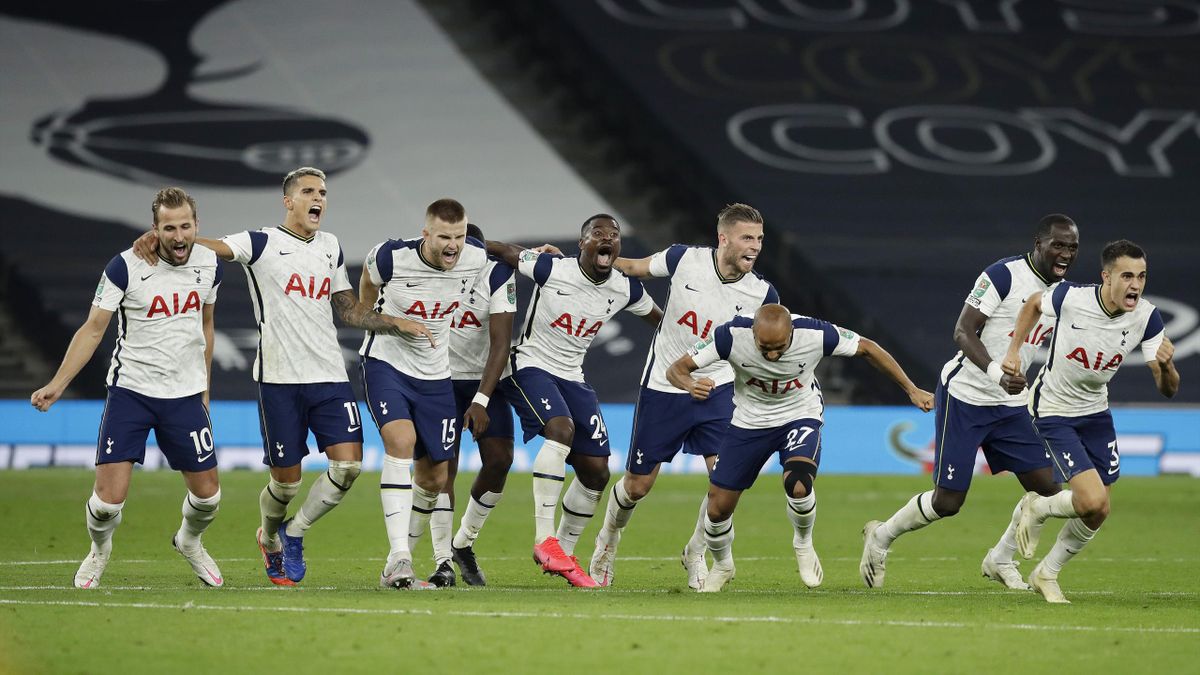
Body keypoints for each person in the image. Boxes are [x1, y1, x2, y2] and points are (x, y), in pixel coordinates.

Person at [133, 167, 429, 587]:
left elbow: (346, 309)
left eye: (323, 192)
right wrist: (170, 238)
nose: (318, 199)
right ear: (288, 201)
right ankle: (269, 535)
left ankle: (295, 532)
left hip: (329, 376)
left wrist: (394, 322)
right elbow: (215, 247)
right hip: (278, 379)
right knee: (286, 483)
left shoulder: (330, 246)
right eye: (308, 192)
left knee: (348, 467)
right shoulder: (260, 242)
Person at [859, 215, 1080, 591]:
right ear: (1038, 242)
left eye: (1072, 248)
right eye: (1058, 245)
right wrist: (996, 373)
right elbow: (962, 330)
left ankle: (1001, 557)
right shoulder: (1002, 275)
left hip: (1011, 404)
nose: (1065, 254)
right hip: (966, 396)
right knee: (948, 502)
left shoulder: (1064, 293)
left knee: (1048, 491)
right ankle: (881, 537)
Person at [32, 187, 225, 589]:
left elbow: (206, 326)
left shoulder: (211, 265)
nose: (178, 236)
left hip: (185, 395)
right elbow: (93, 329)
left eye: (185, 226)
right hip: (131, 392)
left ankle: (190, 541)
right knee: (106, 504)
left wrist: (204, 387)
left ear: (196, 226)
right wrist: (58, 383)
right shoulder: (124, 266)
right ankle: (99, 551)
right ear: (154, 229)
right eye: (169, 227)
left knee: (208, 497)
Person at [668, 304, 933, 592]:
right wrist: (689, 384)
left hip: (799, 414)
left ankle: (803, 543)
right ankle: (723, 565)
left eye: (779, 347)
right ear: (753, 333)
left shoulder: (816, 333)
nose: (771, 355)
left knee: (798, 483)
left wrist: (911, 389)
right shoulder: (730, 335)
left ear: (791, 332)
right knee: (717, 509)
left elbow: (868, 348)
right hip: (749, 420)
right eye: (764, 348)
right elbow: (677, 369)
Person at [589, 203, 778, 588]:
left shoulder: (762, 292)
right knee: (638, 485)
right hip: (663, 384)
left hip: (719, 388)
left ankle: (696, 551)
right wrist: (588, 260)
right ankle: (608, 540)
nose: (755, 246)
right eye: (747, 238)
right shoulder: (684, 260)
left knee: (724, 482)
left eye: (759, 239)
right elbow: (635, 268)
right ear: (723, 238)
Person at [488, 214, 662, 587]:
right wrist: (457, 245)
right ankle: (544, 539)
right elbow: (504, 251)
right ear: (582, 243)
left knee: (597, 471)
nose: (607, 239)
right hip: (529, 363)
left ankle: (563, 553)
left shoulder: (625, 288)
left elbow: (661, 322)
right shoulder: (553, 268)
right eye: (598, 233)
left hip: (573, 375)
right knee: (560, 429)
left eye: (614, 235)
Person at [1003, 239, 1178, 603]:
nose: (1135, 284)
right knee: (1090, 499)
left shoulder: (1146, 317)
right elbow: (1034, 303)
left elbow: (1167, 389)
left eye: (1141, 276)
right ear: (1106, 277)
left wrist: (1166, 366)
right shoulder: (1071, 298)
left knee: (1099, 510)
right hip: (1053, 408)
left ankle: (1046, 572)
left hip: (1096, 412)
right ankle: (1036, 508)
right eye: (1127, 275)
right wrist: (1014, 351)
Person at [359, 199, 492, 589]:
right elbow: (366, 288)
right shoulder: (390, 257)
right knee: (401, 439)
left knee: (434, 479)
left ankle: (393, 566)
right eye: (444, 238)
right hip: (387, 363)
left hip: (436, 376)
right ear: (426, 234)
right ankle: (401, 556)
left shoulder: (474, 257)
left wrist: (535, 253)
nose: (453, 246)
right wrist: (382, 323)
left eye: (460, 237)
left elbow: (495, 251)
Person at [426, 223, 518, 587]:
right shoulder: (426, 272)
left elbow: (501, 343)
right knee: (441, 471)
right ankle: (442, 562)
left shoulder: (497, 275)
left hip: (486, 380)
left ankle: (463, 542)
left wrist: (481, 399)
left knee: (500, 460)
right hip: (438, 381)